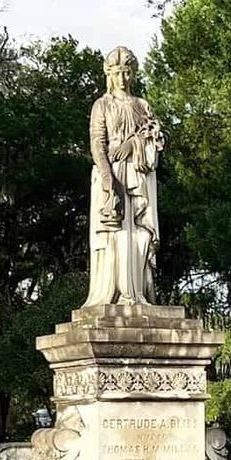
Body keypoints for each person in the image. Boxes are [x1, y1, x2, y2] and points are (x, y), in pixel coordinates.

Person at [84, 45, 164, 307]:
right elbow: (97, 143)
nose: (122, 78)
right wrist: (108, 181)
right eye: (117, 72)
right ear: (109, 74)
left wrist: (134, 145)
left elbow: (155, 136)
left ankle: (136, 292)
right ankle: (114, 292)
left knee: (139, 232)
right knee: (115, 234)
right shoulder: (102, 105)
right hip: (113, 175)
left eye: (127, 72)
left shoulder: (142, 105)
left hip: (137, 174)